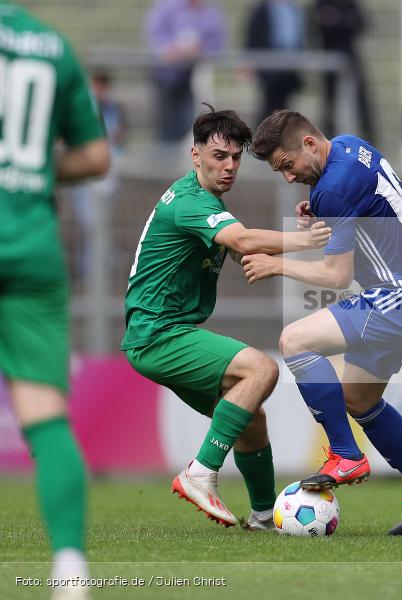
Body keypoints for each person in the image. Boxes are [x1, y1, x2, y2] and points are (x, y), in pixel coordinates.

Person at [244, 110, 402, 535]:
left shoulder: (333, 188)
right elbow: (365, 205)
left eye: (287, 165)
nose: (288, 177)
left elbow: (335, 276)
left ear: (309, 143)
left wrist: (276, 263)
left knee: (295, 340)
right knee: (359, 400)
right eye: (279, 172)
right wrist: (323, 211)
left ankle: (345, 453)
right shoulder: (348, 146)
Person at [121, 106, 331, 530]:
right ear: (195, 155)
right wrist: (305, 241)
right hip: (157, 334)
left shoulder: (206, 204)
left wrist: (288, 241)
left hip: (162, 333)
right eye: (219, 156)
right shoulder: (190, 202)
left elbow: (242, 249)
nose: (229, 166)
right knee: (262, 369)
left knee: (251, 415)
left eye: (235, 157)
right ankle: (200, 472)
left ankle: (262, 516)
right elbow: (243, 240)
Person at [0, 2, 110, 593]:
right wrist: (34, 170)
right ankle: (71, 569)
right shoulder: (52, 46)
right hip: (33, 250)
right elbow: (96, 156)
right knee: (44, 418)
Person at [68, 70, 127, 282]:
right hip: (85, 176)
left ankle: (97, 269)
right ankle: (93, 270)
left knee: (98, 225)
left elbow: (120, 138)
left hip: (108, 175)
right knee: (91, 224)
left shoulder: (113, 109)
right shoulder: (82, 109)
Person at [144, 0, 227, 143]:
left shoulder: (211, 12)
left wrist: (200, 50)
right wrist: (169, 50)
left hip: (192, 76)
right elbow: (155, 34)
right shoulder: (167, 6)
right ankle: (167, 151)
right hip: (164, 75)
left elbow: (217, 42)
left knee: (187, 122)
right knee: (166, 124)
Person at [313, 0, 374, 141]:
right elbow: (323, 24)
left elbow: (361, 23)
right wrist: (345, 20)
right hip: (329, 58)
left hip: (350, 56)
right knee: (330, 102)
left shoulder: (349, 3)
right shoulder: (322, 3)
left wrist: (338, 19)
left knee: (361, 101)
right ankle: (329, 140)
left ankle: (368, 140)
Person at [245, 0, 307, 125]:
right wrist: (250, 62)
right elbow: (253, 37)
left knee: (284, 105)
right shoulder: (262, 10)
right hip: (269, 66)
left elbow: (299, 38)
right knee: (270, 105)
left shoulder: (294, 9)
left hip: (290, 66)